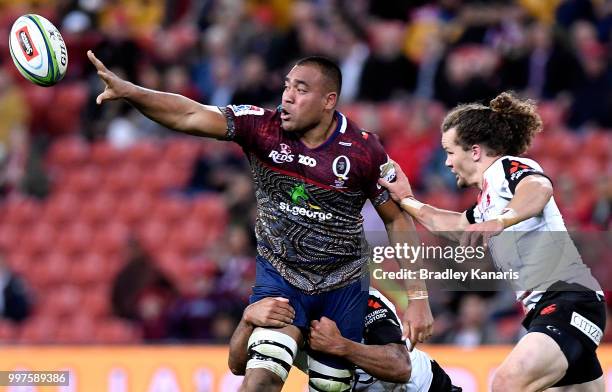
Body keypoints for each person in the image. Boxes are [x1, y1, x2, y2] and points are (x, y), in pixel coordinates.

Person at [87, 51, 433, 391]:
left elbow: (397, 221)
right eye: (286, 86)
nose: (287, 96)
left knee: (332, 386)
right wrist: (132, 91)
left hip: (342, 286)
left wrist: (417, 300)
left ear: (329, 101)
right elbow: (191, 115)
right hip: (282, 278)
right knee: (261, 376)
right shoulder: (261, 127)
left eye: (300, 89)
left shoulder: (362, 150)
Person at [379, 92, 606, 391]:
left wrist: (500, 221)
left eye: (449, 151)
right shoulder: (486, 199)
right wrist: (405, 198)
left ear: (474, 151)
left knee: (506, 382)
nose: (447, 162)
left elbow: (538, 188)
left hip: (568, 300)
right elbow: (447, 223)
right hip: (552, 308)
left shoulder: (505, 169)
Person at [228, 288, 461, 391]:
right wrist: (247, 320)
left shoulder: (365, 301)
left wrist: (341, 346)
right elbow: (239, 367)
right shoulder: (281, 311)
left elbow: (401, 367)